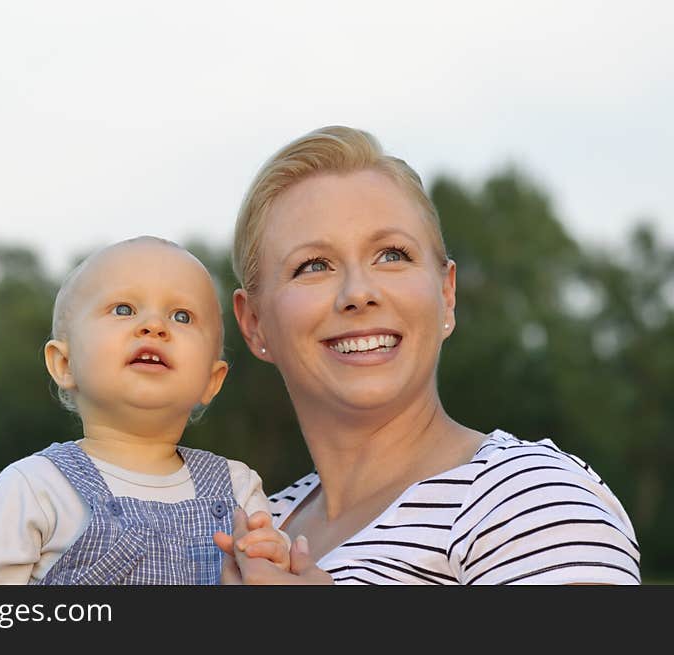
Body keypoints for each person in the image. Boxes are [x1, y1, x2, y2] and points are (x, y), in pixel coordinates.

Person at [213, 126, 641, 584]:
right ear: (254, 322)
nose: (358, 293)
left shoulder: (530, 499)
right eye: (314, 266)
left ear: (446, 293)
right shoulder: (247, 529)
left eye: (392, 255)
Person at [0, 236, 289, 584]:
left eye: (182, 316)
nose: (154, 326)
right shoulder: (36, 488)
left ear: (210, 381)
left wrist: (273, 562)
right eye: (124, 309)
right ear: (65, 363)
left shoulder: (238, 489)